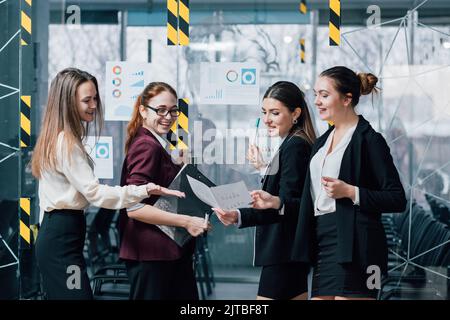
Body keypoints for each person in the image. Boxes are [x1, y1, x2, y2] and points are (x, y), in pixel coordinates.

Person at [31, 68, 183, 300]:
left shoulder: (62, 137)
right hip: (61, 239)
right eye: (86, 100)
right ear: (67, 102)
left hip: (63, 234)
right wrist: (142, 190)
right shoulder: (66, 142)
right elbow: (95, 193)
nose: (94, 105)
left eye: (95, 98)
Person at [290, 66, 407, 300]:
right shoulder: (322, 142)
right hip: (324, 242)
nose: (317, 102)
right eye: (316, 94)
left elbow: (397, 198)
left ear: (347, 99)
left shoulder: (370, 140)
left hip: (359, 245)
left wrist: (350, 191)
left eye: (324, 95)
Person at [212, 81, 316, 300]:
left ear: (295, 113)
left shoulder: (295, 146)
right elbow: (285, 196)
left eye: (275, 113)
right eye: (264, 112)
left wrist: (240, 214)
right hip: (289, 252)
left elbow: (290, 202)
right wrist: (263, 168)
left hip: (284, 251)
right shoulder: (292, 142)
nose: (267, 119)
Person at [119, 82, 209, 300]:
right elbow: (135, 207)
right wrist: (187, 221)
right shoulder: (147, 145)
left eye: (173, 111)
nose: (168, 116)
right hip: (152, 254)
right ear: (143, 110)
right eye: (160, 110)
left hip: (164, 253)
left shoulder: (157, 143)